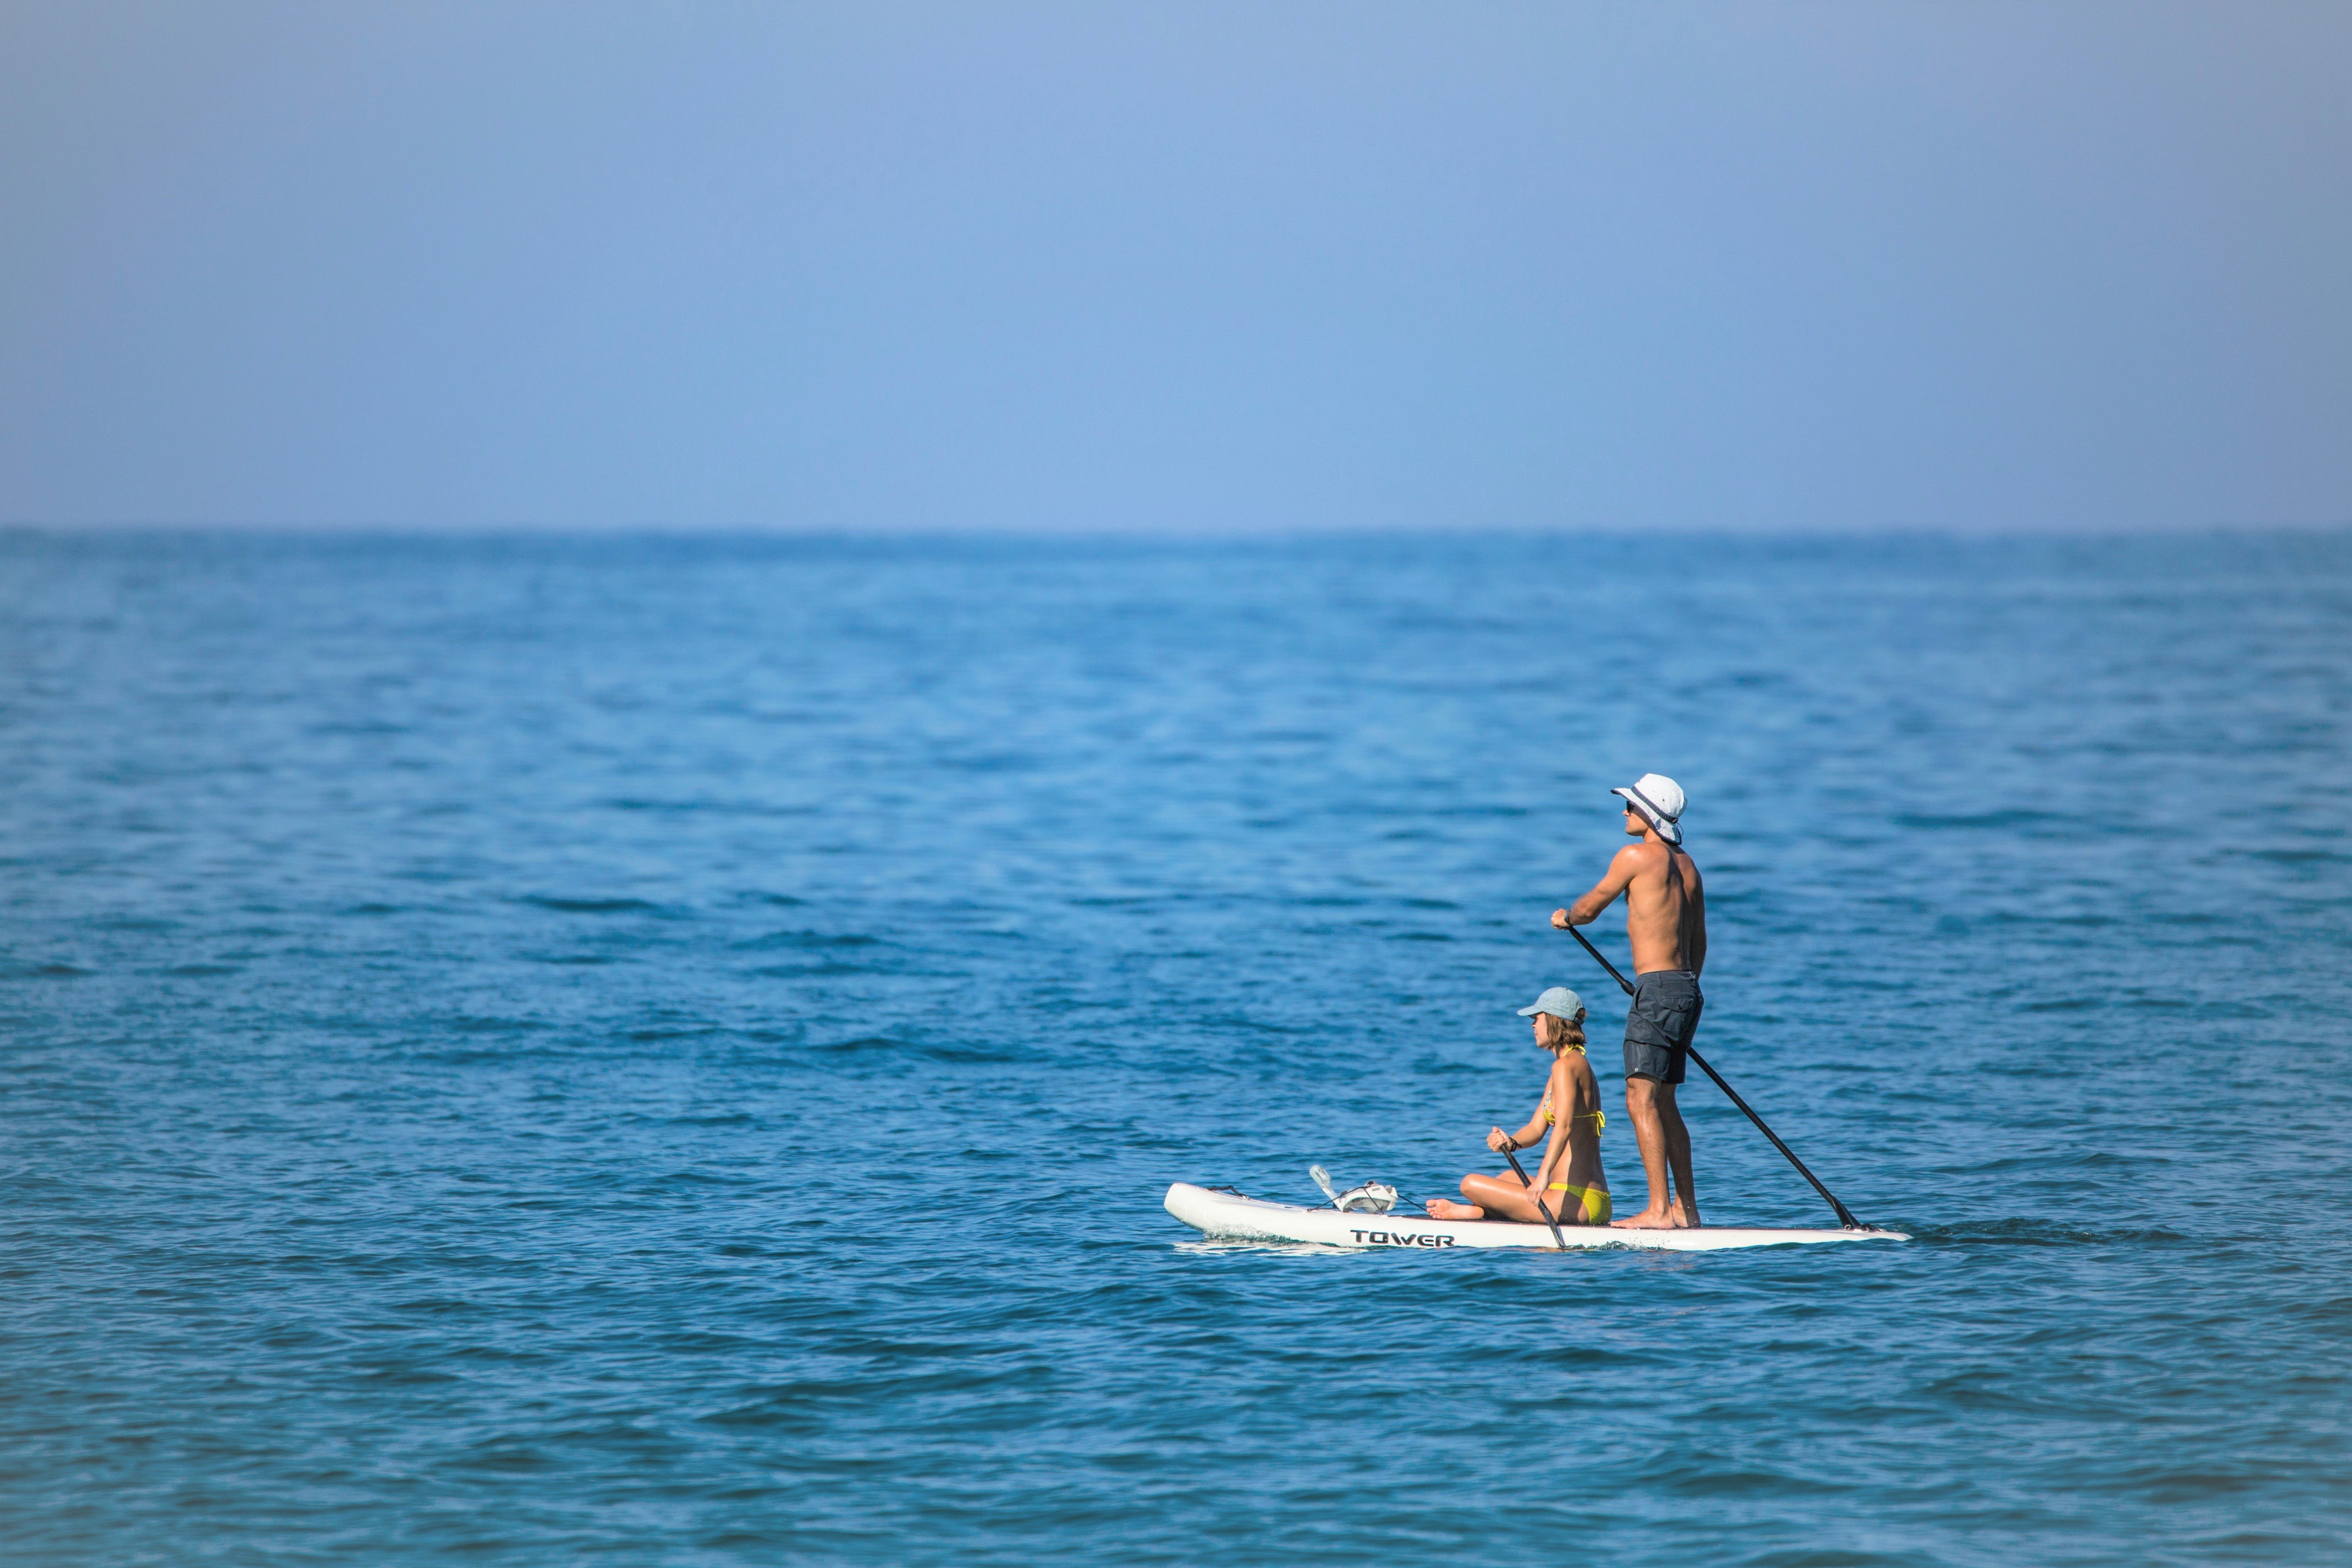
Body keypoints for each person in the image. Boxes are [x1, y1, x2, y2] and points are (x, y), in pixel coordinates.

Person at [1553, 773, 1706, 1229]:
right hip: (1686, 988)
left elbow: (1590, 907)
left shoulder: (1636, 857)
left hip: (1658, 989)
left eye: (1631, 806)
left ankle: (1659, 1210)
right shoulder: (1689, 866)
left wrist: (1567, 916)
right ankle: (1686, 1210)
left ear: (1650, 814)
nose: (1624, 813)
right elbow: (1698, 940)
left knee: (1640, 1098)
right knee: (1665, 1102)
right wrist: (1681, 990)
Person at [1424, 987, 1611, 1225]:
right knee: (1506, 1177)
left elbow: (1563, 1127)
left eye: (1537, 1019)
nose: (1533, 1026)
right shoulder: (1574, 1064)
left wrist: (1542, 1178)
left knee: (1469, 1184)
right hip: (1592, 1198)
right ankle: (1477, 1213)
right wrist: (1510, 1142)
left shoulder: (1564, 1068)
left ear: (1554, 1021)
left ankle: (1475, 1212)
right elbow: (1536, 1128)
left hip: (1574, 1202)